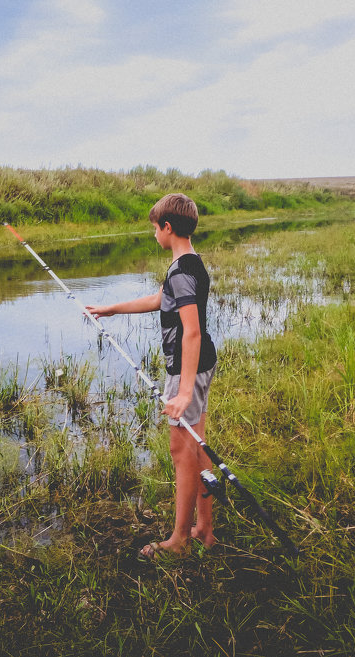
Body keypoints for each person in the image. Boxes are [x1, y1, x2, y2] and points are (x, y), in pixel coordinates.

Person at [85, 192, 218, 558]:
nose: (153, 235)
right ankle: (204, 528)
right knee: (198, 445)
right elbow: (161, 299)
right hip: (204, 361)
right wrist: (112, 309)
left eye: (154, 228)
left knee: (181, 450)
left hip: (186, 368)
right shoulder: (190, 263)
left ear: (168, 227)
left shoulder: (181, 272)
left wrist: (184, 391)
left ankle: (179, 541)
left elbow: (191, 331)